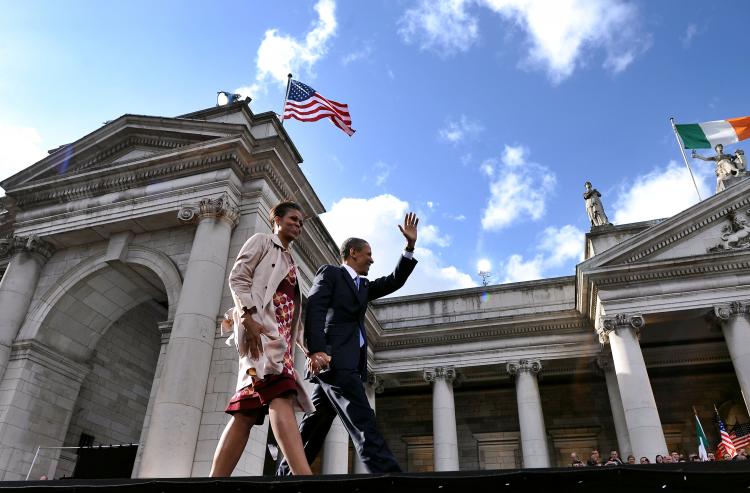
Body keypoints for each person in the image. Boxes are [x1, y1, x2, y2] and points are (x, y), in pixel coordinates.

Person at [277, 213, 419, 474]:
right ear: (353, 253)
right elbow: (316, 309)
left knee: (314, 426)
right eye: (368, 254)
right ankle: (388, 476)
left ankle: (284, 475)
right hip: (334, 360)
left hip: (346, 363)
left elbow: (394, 280)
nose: (372, 259)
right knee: (363, 419)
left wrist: (409, 248)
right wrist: (317, 349)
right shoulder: (331, 274)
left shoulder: (362, 286)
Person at [210, 201, 314, 477]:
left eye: (301, 222)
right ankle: (303, 476)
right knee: (282, 393)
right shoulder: (262, 242)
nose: (298, 225)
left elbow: (294, 317)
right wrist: (247, 317)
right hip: (261, 333)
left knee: (246, 411)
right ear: (276, 220)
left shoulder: (292, 262)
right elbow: (238, 278)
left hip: (280, 340)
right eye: (293, 219)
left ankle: (213, 482)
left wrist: (310, 350)